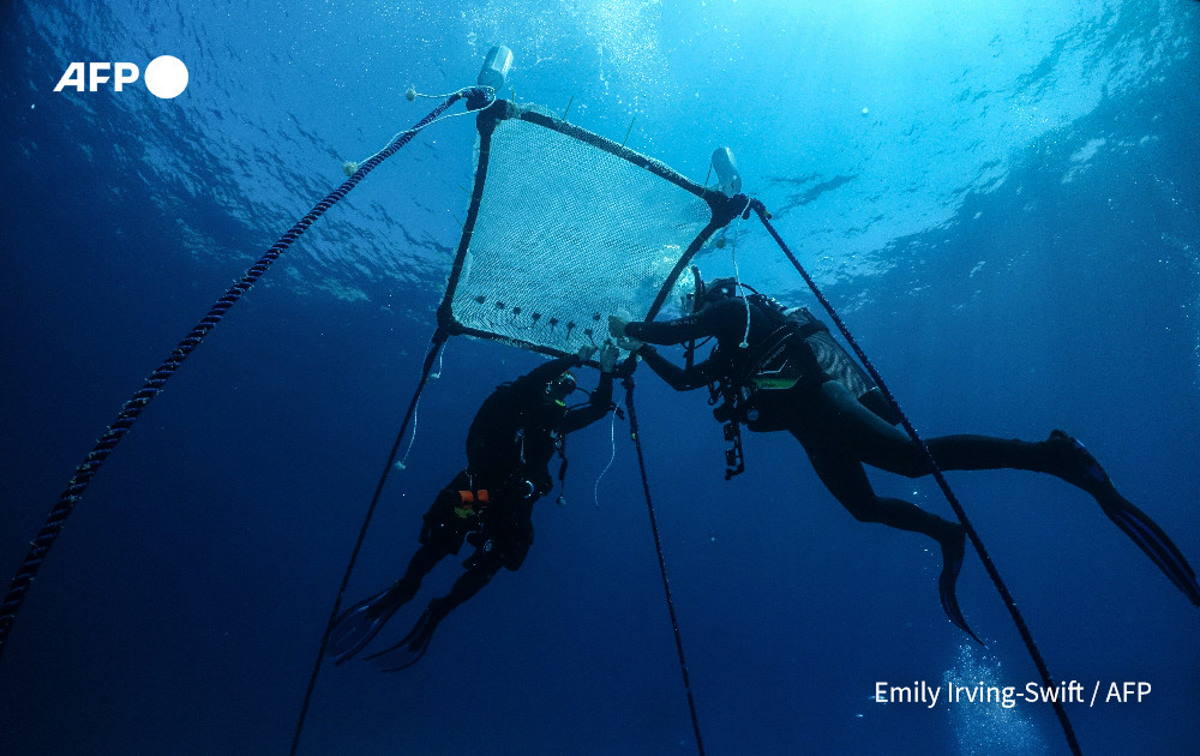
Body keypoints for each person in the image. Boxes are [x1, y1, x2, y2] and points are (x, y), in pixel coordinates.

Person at [610, 275, 1199, 641]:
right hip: (814, 432)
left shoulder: (734, 311)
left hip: (827, 404)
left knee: (914, 462)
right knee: (863, 509)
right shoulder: (731, 352)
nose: (698, 315)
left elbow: (672, 333)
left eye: (699, 303)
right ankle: (946, 531)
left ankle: (1048, 455)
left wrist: (630, 327)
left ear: (711, 296)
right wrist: (636, 351)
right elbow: (687, 382)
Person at [328, 342, 621, 670]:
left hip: (501, 500)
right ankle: (410, 587)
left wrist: (605, 371)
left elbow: (596, 409)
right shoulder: (516, 400)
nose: (558, 397)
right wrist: (577, 361)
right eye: (556, 388)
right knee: (451, 532)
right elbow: (536, 380)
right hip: (482, 492)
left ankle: (436, 604)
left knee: (501, 550)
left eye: (563, 393)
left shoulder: (552, 420)